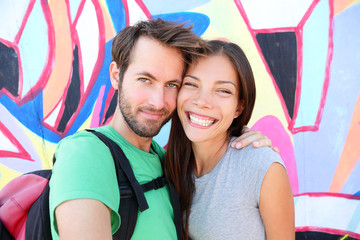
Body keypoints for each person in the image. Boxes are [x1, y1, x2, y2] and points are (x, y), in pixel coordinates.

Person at [49, 19, 275, 240]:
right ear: (117, 76)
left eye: (172, 85)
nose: (158, 102)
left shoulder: (169, 163)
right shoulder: (85, 154)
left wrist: (244, 143)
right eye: (145, 79)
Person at [164, 40, 295, 240]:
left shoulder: (262, 167)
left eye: (223, 90)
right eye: (191, 84)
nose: (202, 101)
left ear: (239, 107)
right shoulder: (166, 166)